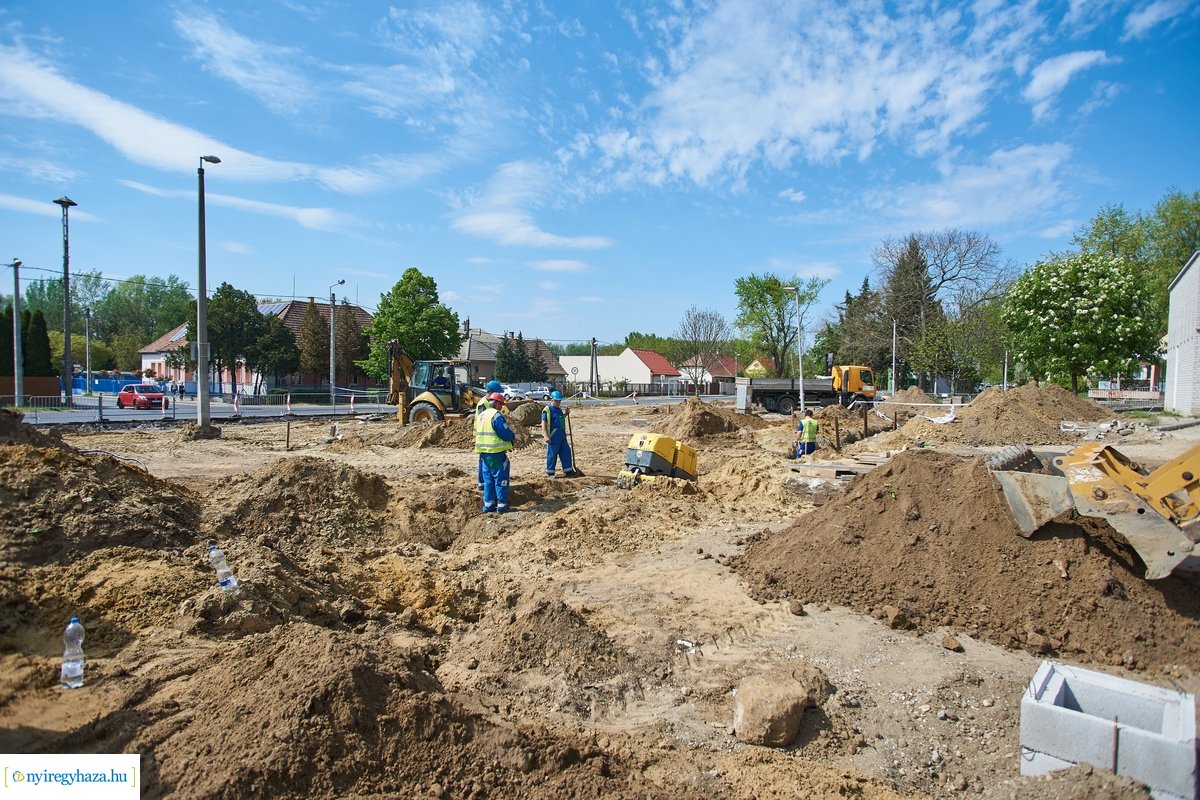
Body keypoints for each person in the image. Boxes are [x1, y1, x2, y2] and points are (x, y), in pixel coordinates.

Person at [475, 391, 516, 513]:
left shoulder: (482, 415)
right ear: (497, 403)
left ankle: (488, 505)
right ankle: (502, 506)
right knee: (501, 479)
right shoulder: (496, 416)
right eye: (501, 404)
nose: (502, 407)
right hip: (496, 453)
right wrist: (513, 437)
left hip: (483, 453)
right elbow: (504, 433)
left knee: (488, 480)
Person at [541, 390, 581, 478]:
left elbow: (560, 418)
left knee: (566, 452)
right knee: (552, 454)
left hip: (562, 436)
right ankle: (550, 472)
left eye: (559, 401)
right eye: (557, 401)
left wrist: (566, 414)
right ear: (552, 400)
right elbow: (543, 423)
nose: (558, 403)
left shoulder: (558, 410)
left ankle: (568, 470)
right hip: (553, 436)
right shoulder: (547, 410)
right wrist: (545, 436)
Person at [475, 380, 503, 491]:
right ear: (491, 392)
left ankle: (484, 483)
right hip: (483, 435)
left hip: (486, 434)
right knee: (483, 461)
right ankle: (481, 483)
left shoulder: (488, 402)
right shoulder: (483, 403)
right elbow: (483, 419)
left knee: (485, 461)